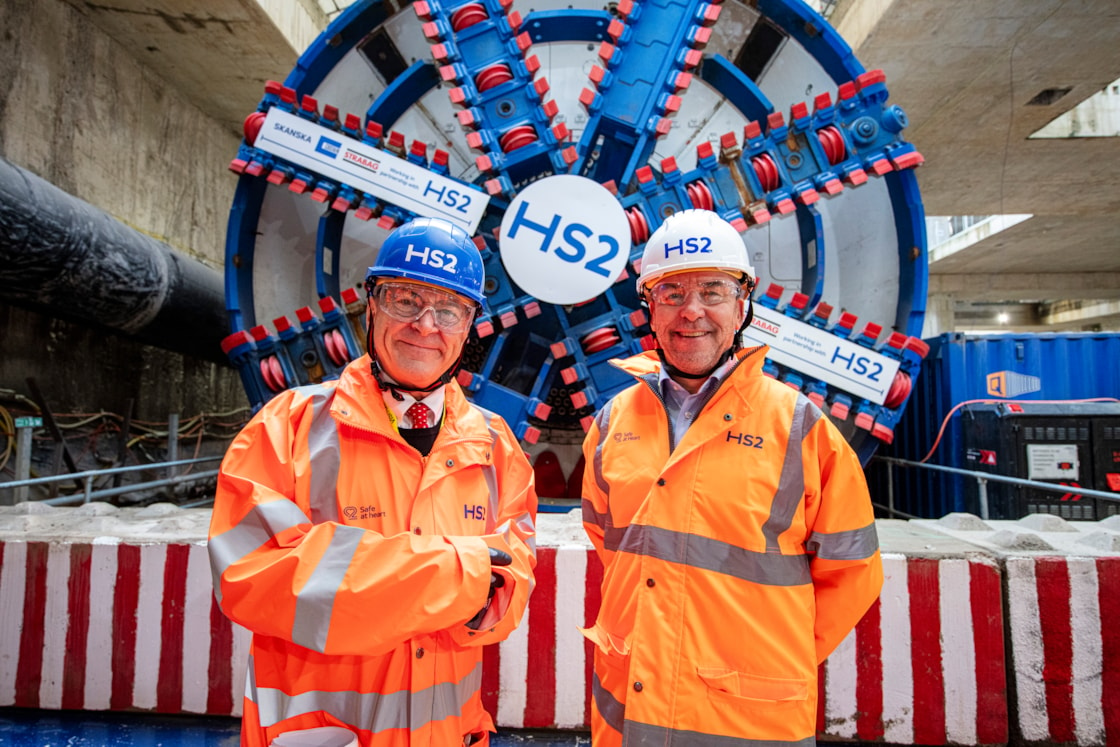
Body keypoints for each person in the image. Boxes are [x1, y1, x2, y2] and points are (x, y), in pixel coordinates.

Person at [209, 217, 537, 747]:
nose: (426, 325)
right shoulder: (288, 426)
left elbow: (510, 591)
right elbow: (255, 578)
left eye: (449, 309)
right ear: (371, 303)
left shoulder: (495, 445)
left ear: (469, 323)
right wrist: (460, 572)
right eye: (405, 299)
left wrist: (376, 577)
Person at [580, 209, 882, 746]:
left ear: (742, 306)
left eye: (713, 292)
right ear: (648, 309)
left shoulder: (800, 427)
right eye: (671, 293)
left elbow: (853, 570)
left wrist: (767, 657)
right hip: (629, 708)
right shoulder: (612, 422)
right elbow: (612, 545)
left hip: (749, 721)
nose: (690, 312)